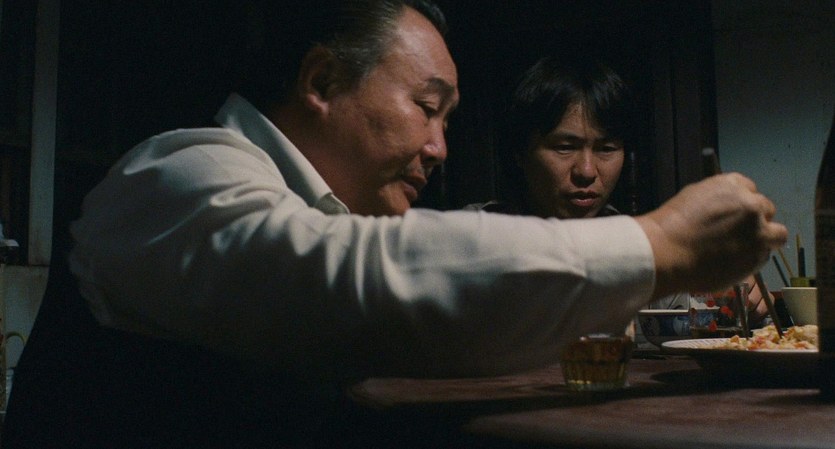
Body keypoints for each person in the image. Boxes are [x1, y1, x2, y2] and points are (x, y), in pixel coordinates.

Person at [3, 1, 786, 448]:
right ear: (321, 80)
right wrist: (661, 242)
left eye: (447, 120)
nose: (439, 148)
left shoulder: (304, 204)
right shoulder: (177, 171)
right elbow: (349, 276)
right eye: (426, 107)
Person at [467, 56, 769, 318]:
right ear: (520, 154)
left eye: (607, 148)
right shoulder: (474, 236)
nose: (587, 171)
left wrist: (733, 301)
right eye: (564, 147)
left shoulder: (640, 244)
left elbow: (694, 316)